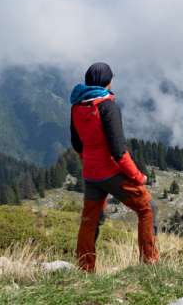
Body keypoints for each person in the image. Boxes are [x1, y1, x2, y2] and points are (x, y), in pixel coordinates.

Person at [70, 62, 159, 272]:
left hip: (90, 173)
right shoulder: (107, 106)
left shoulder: (77, 105)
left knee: (90, 219)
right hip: (111, 172)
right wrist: (138, 177)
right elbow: (118, 150)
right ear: (108, 82)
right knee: (148, 209)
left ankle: (85, 268)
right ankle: (150, 263)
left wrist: (89, 159)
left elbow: (76, 143)